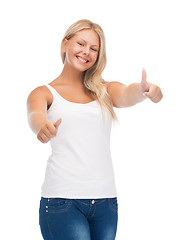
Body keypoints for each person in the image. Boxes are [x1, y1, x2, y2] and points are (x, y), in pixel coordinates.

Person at [26, 19, 163, 240]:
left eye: (94, 48)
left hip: (106, 203)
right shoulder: (44, 92)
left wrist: (143, 91)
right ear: (65, 44)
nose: (86, 52)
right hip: (63, 203)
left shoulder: (104, 91)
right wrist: (42, 128)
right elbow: (35, 116)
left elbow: (127, 94)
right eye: (80, 43)